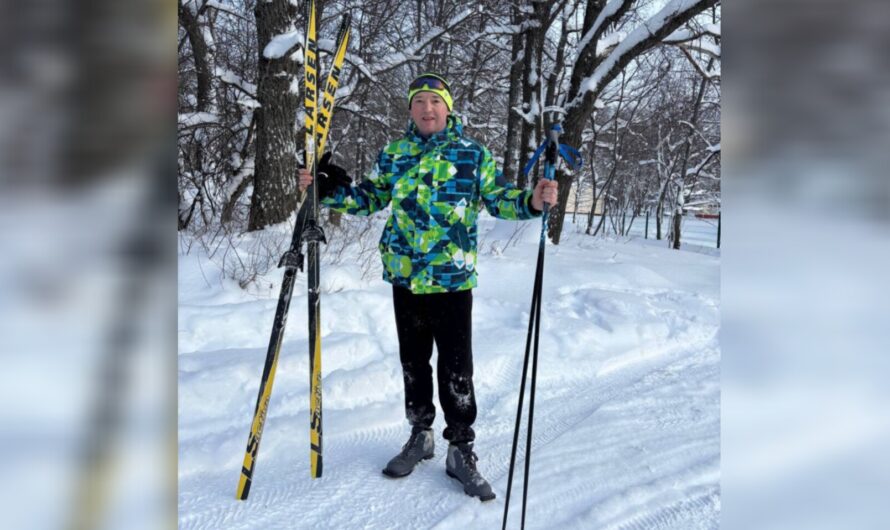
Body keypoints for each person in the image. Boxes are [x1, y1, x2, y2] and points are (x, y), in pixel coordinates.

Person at [297, 73, 558, 501]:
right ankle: (421, 434)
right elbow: (369, 198)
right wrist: (327, 192)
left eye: (435, 101)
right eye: (419, 101)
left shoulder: (472, 154)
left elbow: (498, 199)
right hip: (405, 277)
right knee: (413, 363)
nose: (427, 109)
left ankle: (460, 447)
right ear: (411, 110)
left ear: (448, 108)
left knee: (456, 368)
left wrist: (532, 201)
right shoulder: (395, 154)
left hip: (452, 281)